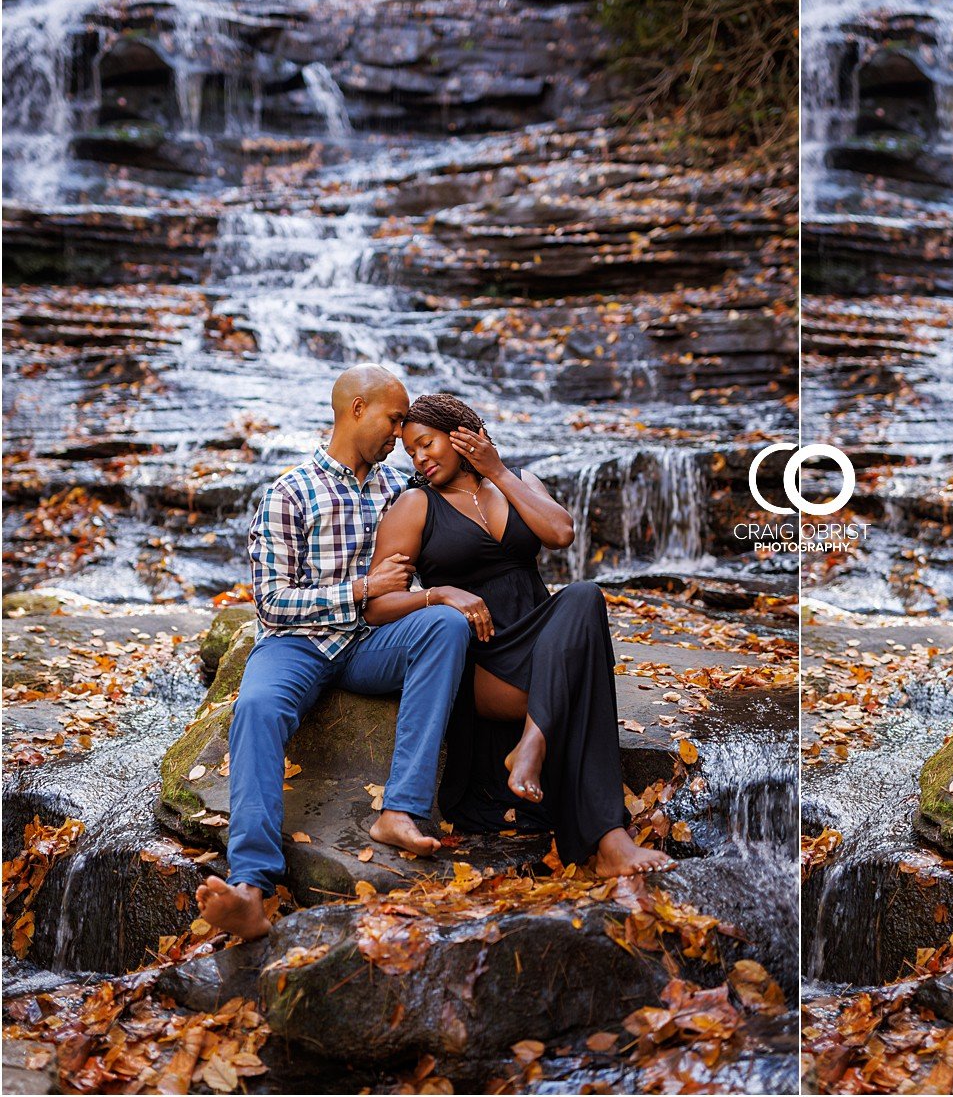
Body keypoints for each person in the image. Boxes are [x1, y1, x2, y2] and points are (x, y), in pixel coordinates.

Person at [195, 365, 472, 941]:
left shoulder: (401, 490)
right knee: (257, 709)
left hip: (372, 644)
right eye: (394, 420)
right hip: (298, 645)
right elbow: (271, 604)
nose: (400, 434)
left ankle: (400, 810)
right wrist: (359, 589)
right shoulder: (288, 493)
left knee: (444, 626)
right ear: (357, 409)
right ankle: (250, 887)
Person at [364, 393, 675, 879]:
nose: (420, 459)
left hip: (543, 645)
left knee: (584, 595)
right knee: (584, 668)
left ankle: (533, 746)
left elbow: (561, 533)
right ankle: (607, 837)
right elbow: (379, 605)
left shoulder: (521, 481)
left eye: (426, 444)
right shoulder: (414, 505)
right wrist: (442, 594)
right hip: (482, 656)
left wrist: (498, 472)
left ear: (463, 436)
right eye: (411, 452)